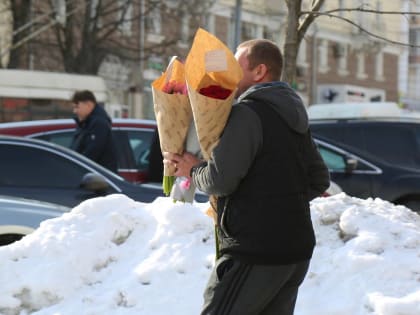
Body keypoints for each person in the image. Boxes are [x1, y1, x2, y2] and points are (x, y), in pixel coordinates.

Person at [163, 39, 330, 315]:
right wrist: (275, 201)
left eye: (236, 64)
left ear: (259, 71)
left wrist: (192, 169)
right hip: (295, 252)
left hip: (255, 250)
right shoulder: (294, 113)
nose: (228, 72)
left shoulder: (247, 113)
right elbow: (318, 178)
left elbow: (220, 180)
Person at [70, 90, 118, 173]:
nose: (75, 111)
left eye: (77, 107)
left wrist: (75, 168)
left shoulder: (99, 124)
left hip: (98, 179)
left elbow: (91, 154)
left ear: (89, 105)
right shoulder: (85, 123)